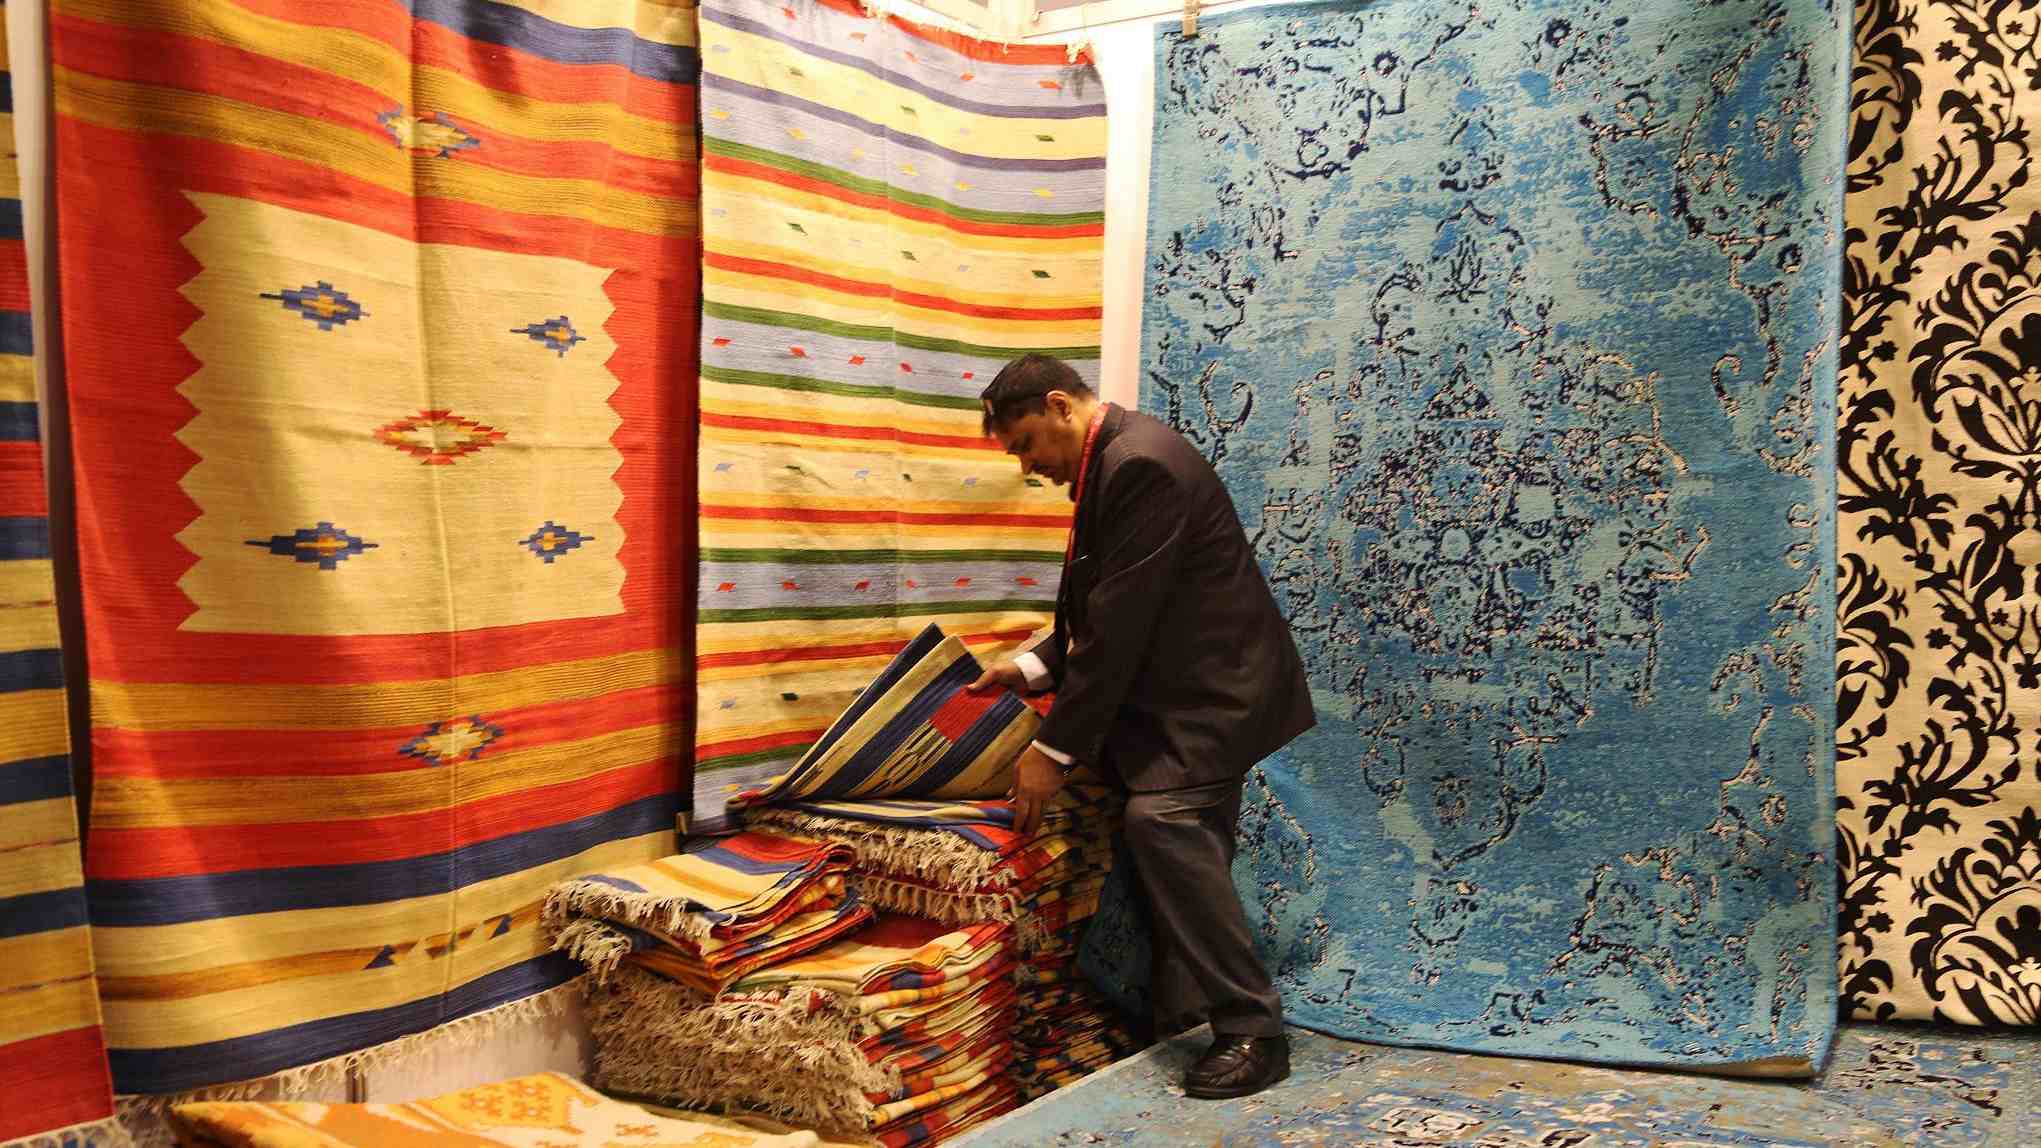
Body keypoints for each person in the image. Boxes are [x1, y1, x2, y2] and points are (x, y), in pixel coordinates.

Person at [967, 352, 1315, 1100]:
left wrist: (1053, 750)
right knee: (1185, 844)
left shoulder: (1138, 464)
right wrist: (1028, 669)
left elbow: (1119, 628)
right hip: (1194, 692)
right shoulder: (1114, 459)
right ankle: (1183, 1008)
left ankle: (1254, 1031)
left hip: (1216, 696)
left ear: (1059, 406)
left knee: (1164, 822)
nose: (1028, 467)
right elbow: (1103, 606)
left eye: (1026, 445)